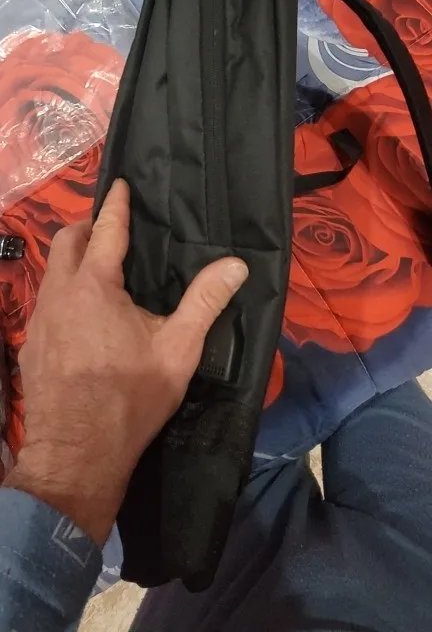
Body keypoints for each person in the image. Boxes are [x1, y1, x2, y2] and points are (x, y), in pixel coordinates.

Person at [0, 179, 431, 632]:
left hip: (233, 583)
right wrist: (68, 459)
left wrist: (69, 456)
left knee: (337, 371)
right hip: (405, 590)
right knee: (362, 362)